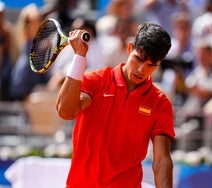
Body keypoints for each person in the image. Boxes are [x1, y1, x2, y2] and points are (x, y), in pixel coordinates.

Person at [56, 22, 175, 187]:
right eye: (138, 59)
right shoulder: (97, 81)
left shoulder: (160, 103)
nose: (141, 70)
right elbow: (66, 111)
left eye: (151, 65)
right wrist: (79, 57)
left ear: (159, 64)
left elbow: (162, 161)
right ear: (129, 48)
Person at [8, 4, 51, 101]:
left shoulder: (39, 50)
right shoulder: (27, 56)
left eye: (39, 21)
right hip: (26, 104)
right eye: (35, 22)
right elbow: (19, 90)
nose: (39, 25)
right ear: (26, 26)